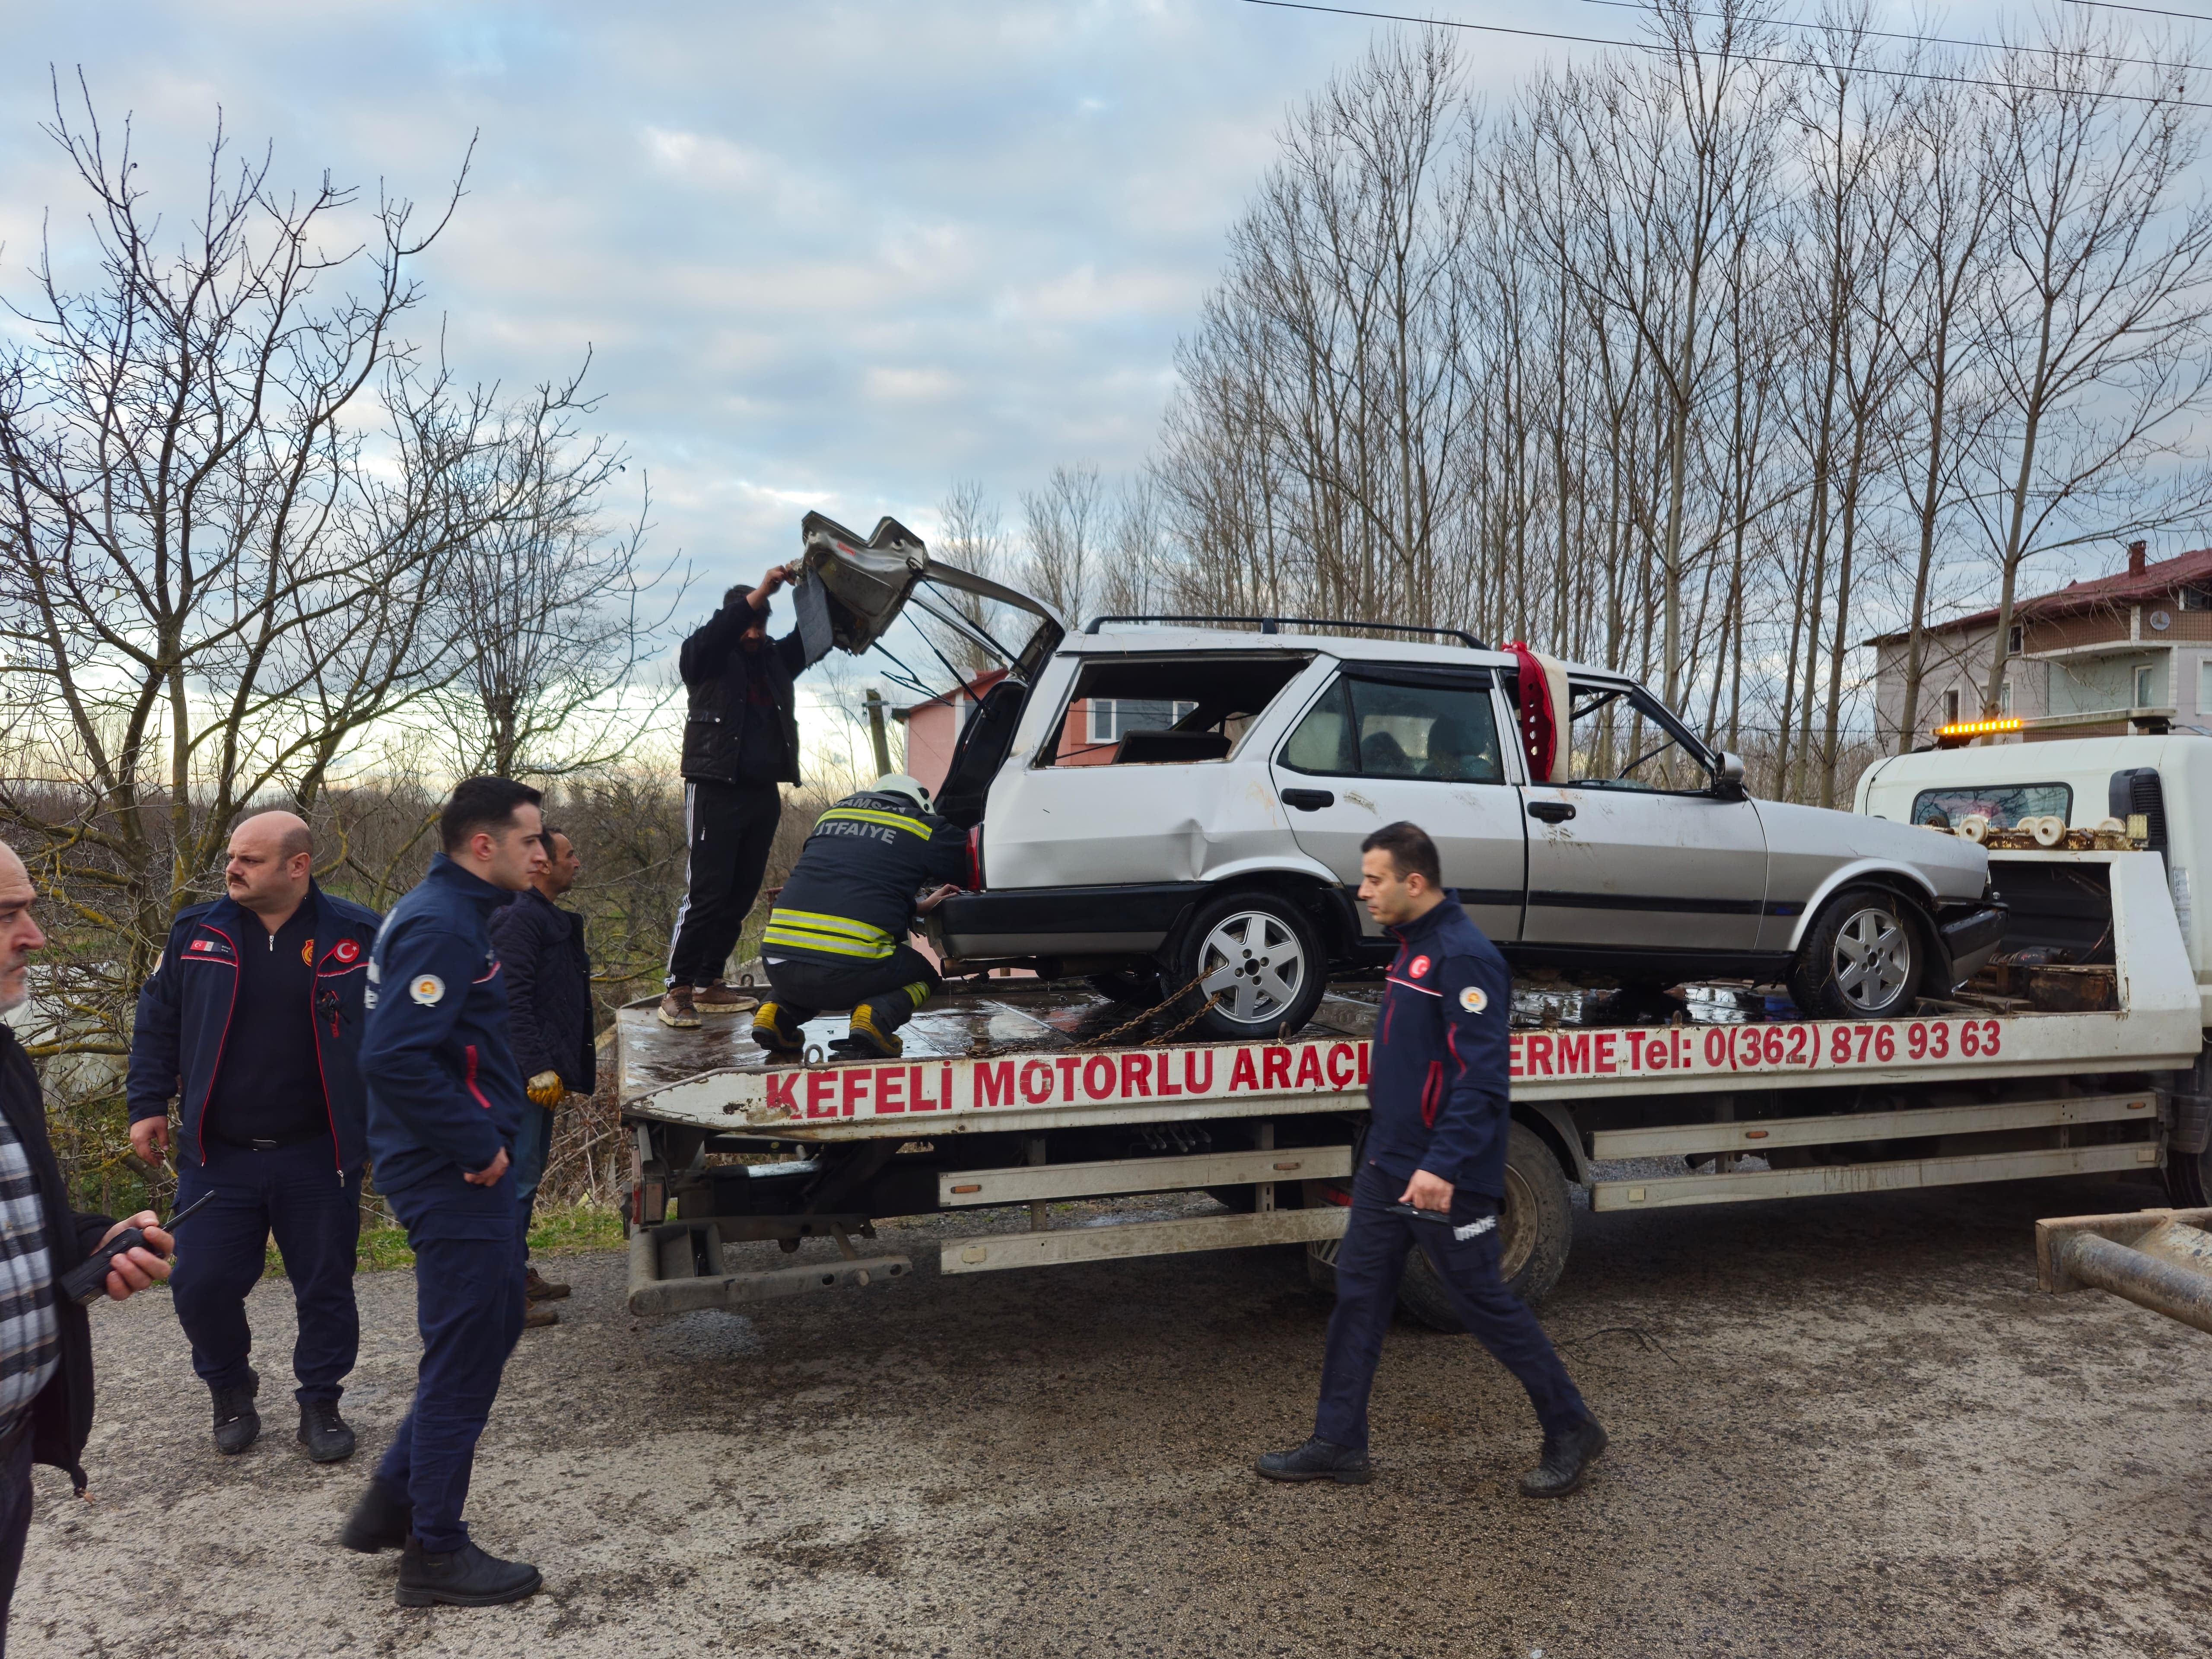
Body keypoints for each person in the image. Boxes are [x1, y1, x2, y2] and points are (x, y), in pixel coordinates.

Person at [1257, 820, 1606, 1498]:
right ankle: (1338, 1442)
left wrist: (1443, 1165)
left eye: (1375, 880)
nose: (1363, 892)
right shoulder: (1413, 948)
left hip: (1444, 1173)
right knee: (1358, 1297)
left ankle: (1571, 1426)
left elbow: (1482, 1080)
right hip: (1391, 1164)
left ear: (1414, 882)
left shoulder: (1464, 958)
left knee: (1483, 1304)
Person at [340, 778, 545, 1608]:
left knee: (490, 1330)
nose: (542, 853)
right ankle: (434, 1552)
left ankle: (394, 1499)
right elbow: (392, 1057)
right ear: (483, 845)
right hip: (453, 1174)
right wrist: (478, 1147)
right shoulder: (444, 925)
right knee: (464, 1356)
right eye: (530, 839)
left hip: (451, 1166)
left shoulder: (454, 914)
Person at [125, 811, 379, 1462]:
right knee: (201, 1284)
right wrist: (148, 1102)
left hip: (320, 1154)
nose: (232, 869)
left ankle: (321, 1403)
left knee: (325, 1285)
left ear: (299, 866)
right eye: (232, 857)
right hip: (220, 1155)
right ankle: (231, 1389)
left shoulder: (359, 936)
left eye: (250, 860)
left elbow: (396, 1037)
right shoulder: (195, 932)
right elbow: (157, 1023)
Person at [0, 839, 175, 1647]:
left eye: (29, 909)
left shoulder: (6, 1062)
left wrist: (96, 1239)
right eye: (7, 915)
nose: (34, 935)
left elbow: (24, 1220)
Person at [663, 564, 810, 1029]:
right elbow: (715, 636)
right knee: (706, 894)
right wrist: (761, 590)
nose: (752, 632)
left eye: (760, 624)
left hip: (761, 794)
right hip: (713, 789)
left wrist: (822, 590)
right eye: (746, 622)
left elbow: (815, 636)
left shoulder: (773, 658)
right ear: (731, 617)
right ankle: (679, 988)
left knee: (741, 893)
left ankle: (709, 983)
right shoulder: (706, 655)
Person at [752, 775, 967, 1061]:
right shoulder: (922, 826)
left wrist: (918, 907)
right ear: (920, 804)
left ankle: (775, 1013)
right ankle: (875, 1018)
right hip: (848, 972)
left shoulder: (831, 817)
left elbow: (855, 887)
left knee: (812, 970)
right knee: (925, 975)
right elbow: (972, 861)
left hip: (778, 966)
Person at [487, 822, 594, 1327]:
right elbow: (511, 1000)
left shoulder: (542, 916)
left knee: (525, 1176)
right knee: (517, 1180)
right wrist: (536, 1068)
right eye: (570, 855)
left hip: (535, 1074)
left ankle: (516, 1272)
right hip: (517, 1076)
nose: (577, 862)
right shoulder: (517, 918)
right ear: (543, 864)